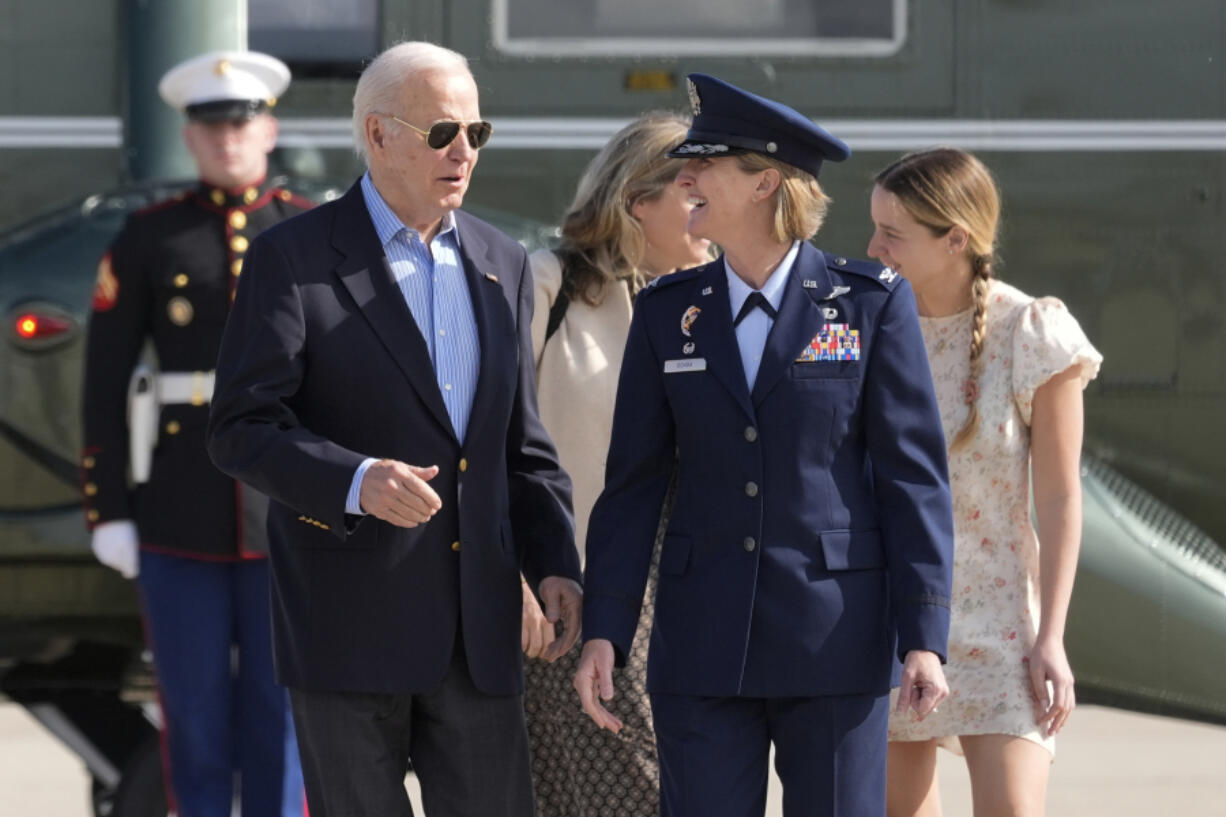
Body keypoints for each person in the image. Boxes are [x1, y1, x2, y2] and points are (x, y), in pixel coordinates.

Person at [205, 41, 583, 817]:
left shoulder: (502, 261)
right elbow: (241, 425)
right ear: (379, 135)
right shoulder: (292, 258)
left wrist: (555, 562)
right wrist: (352, 479)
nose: (463, 152)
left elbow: (521, 445)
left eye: (477, 133)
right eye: (443, 132)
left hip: (478, 635)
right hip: (347, 627)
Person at [573, 73, 956, 817]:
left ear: (765, 185)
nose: (685, 178)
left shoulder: (870, 302)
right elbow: (633, 485)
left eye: (705, 164)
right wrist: (606, 629)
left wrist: (924, 636)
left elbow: (913, 479)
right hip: (700, 644)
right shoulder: (665, 313)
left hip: (834, 640)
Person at [81, 50, 309, 817]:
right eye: (210, 126)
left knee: (283, 713)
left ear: (269, 128)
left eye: (241, 123)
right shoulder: (149, 237)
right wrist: (107, 507)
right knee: (196, 717)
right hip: (179, 513)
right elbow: (105, 383)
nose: (226, 139)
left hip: (286, 514)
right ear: (189, 136)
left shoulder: (309, 229)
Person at [868, 147, 1102, 817]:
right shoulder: (867, 324)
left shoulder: (1030, 330)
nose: (873, 246)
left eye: (893, 232)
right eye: (876, 226)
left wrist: (1051, 636)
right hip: (898, 617)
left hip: (1002, 625)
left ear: (955, 241)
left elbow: (1059, 498)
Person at [523, 112, 712, 816]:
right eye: (697, 191)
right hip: (577, 594)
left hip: (702, 602)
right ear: (638, 200)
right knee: (621, 791)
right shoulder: (549, 284)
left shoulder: (725, 295)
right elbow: (497, 442)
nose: (714, 208)